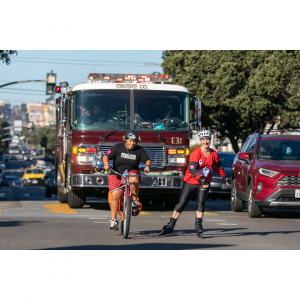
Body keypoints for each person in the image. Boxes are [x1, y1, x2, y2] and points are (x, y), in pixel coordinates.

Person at [159, 129, 231, 237]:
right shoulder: (196, 152)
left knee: (201, 203)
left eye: (207, 140)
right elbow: (193, 169)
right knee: (182, 203)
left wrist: (225, 177)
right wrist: (201, 180)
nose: (205, 142)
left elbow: (219, 167)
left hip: (204, 182)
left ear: (210, 141)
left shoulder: (213, 154)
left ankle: (198, 224)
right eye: (203, 140)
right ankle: (171, 224)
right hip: (191, 181)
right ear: (201, 141)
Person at [102, 130, 151, 231]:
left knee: (134, 178)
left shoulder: (139, 150)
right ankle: (113, 220)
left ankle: (134, 200)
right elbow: (106, 156)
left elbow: (147, 159)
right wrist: (106, 164)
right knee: (115, 195)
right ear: (126, 140)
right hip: (117, 173)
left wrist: (147, 166)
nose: (132, 143)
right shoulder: (117, 147)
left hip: (131, 172)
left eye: (134, 141)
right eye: (130, 141)